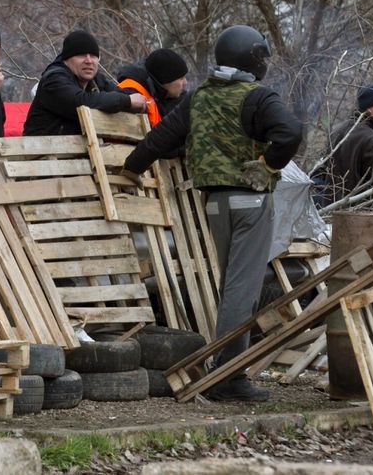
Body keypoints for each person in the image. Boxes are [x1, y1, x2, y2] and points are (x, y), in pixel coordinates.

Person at [120, 24, 303, 401]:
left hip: (216, 205)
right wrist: (269, 165)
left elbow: (162, 137)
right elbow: (289, 133)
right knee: (241, 291)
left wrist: (131, 168)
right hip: (251, 203)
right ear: (252, 58)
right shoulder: (257, 96)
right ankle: (229, 377)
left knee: (232, 288)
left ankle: (229, 372)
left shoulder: (199, 96)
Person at [23, 31, 147, 136]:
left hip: (72, 155)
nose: (89, 61)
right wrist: (127, 101)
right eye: (81, 55)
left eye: (93, 56)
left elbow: (123, 94)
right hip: (41, 157)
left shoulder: (96, 80)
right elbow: (81, 102)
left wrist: (132, 100)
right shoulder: (54, 80)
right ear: (66, 59)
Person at [116, 48, 190, 126]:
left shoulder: (164, 93)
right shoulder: (131, 94)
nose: (185, 82)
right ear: (165, 80)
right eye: (181, 78)